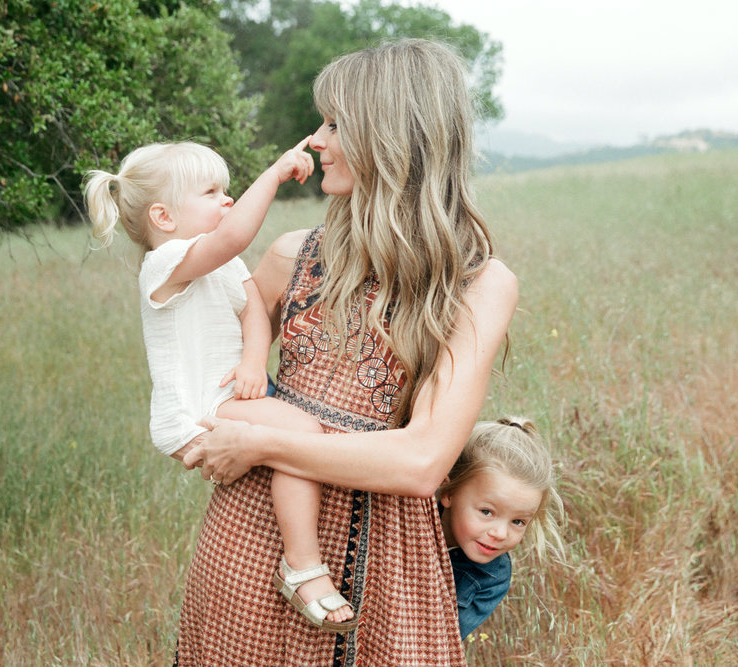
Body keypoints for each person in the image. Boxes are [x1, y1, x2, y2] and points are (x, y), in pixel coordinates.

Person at [174, 38, 519, 665]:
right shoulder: (291, 255)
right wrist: (208, 426)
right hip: (255, 540)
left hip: (386, 556)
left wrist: (261, 443)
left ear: (392, 137)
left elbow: (421, 460)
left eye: (335, 123)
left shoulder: (478, 284)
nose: (317, 140)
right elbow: (198, 374)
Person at [83, 138, 356, 631]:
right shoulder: (164, 263)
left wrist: (254, 361)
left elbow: (253, 310)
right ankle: (302, 565)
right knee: (301, 436)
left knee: (291, 442)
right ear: (164, 218)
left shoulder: (221, 264)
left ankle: (293, 558)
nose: (227, 201)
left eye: (228, 191)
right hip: (198, 409)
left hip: (228, 394)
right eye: (212, 192)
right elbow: (231, 238)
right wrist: (272, 174)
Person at [439, 416, 566, 640]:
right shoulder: (404, 520)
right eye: (487, 512)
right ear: (449, 493)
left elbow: (441, 644)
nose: (500, 534)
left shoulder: (492, 577)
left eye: (518, 521)